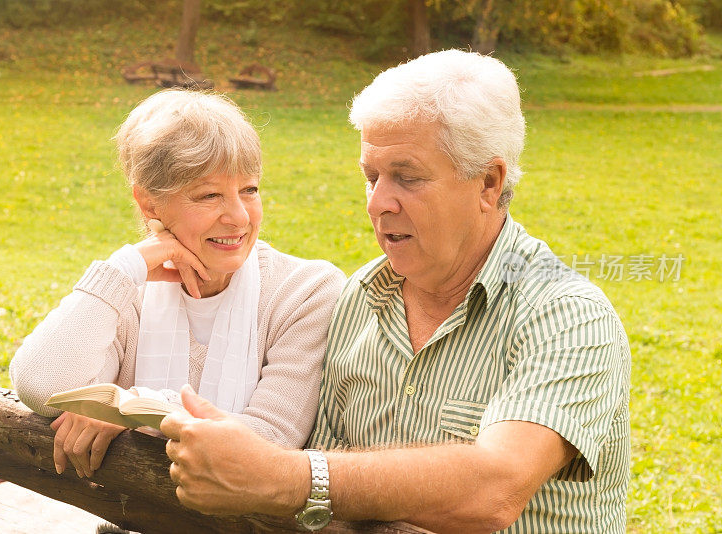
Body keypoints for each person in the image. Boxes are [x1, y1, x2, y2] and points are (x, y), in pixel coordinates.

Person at [160, 50, 631, 533]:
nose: (379, 203)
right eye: (371, 177)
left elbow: (495, 488)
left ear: (489, 183)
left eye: (407, 177)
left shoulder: (568, 315)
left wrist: (288, 477)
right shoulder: (358, 299)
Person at [10, 89, 345, 479]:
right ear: (150, 205)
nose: (239, 217)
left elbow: (271, 439)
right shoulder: (127, 293)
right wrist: (123, 268)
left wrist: (136, 408)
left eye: (249, 190)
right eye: (209, 195)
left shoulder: (306, 290)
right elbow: (41, 386)